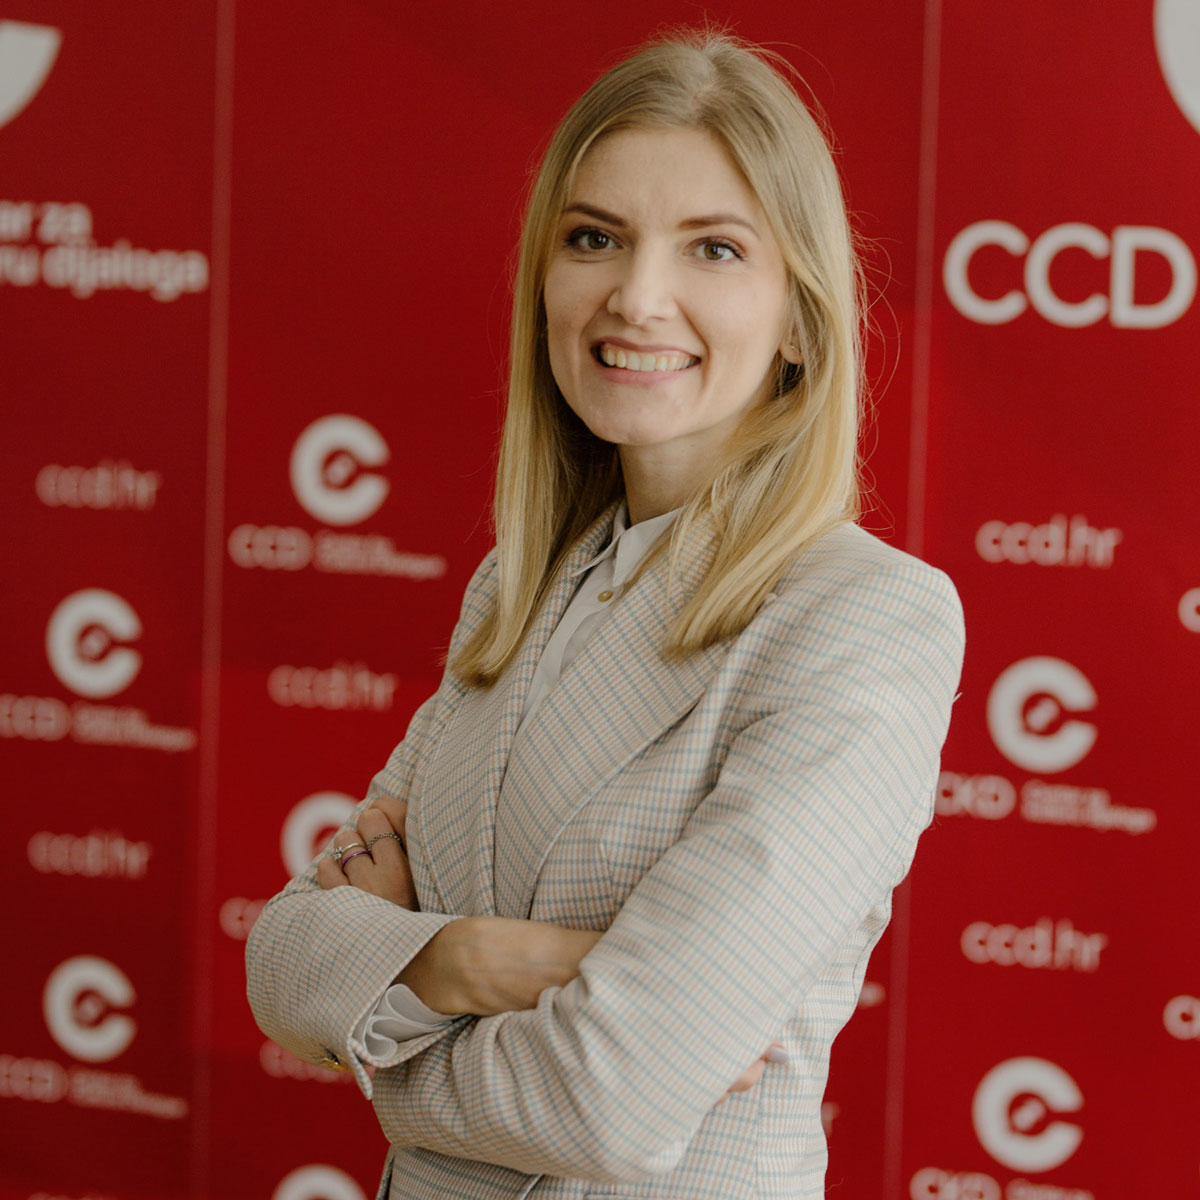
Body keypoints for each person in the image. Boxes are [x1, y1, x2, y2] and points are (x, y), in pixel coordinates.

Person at [247, 29, 964, 1200]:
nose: (637, 296)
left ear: (799, 318)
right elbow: (283, 960)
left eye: (714, 249)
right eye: (596, 238)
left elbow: (609, 1103)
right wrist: (474, 959)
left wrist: (386, 1023)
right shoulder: (524, 587)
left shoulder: (864, 616)